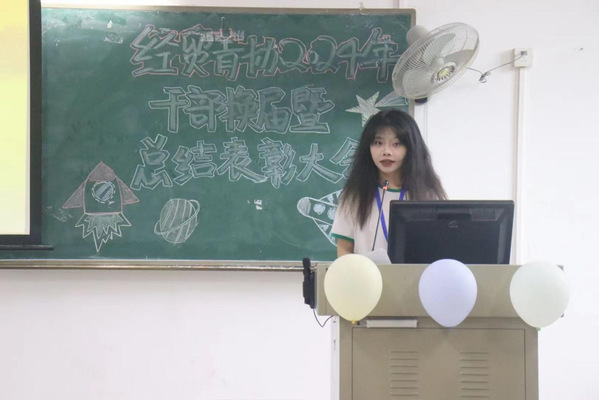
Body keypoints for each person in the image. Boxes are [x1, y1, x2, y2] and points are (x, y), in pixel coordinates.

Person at [331, 109, 446, 257]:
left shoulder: (429, 195)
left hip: (414, 272)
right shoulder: (354, 195)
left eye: (396, 144)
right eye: (378, 143)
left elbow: (438, 248)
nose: (386, 151)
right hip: (366, 272)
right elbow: (344, 250)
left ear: (411, 148)